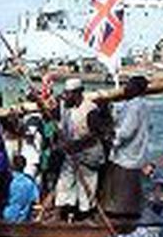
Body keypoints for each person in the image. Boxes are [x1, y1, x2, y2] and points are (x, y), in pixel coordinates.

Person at [54, 78, 105, 221]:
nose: (65, 96)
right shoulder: (68, 109)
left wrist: (76, 144)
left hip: (89, 153)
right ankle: (63, 211)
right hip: (72, 152)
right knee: (65, 182)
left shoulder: (90, 109)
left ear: (77, 93)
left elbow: (96, 134)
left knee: (87, 185)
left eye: (68, 94)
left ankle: (85, 215)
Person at [101, 75, 151, 219]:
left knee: (123, 185)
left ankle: (122, 214)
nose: (125, 88)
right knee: (128, 184)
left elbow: (126, 131)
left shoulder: (136, 106)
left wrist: (111, 137)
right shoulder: (137, 104)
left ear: (137, 89)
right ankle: (126, 211)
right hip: (133, 152)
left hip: (128, 153)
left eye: (129, 86)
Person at [3, 155, 40, 223]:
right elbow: (35, 200)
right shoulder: (30, 182)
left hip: (8, 216)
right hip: (24, 218)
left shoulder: (8, 180)